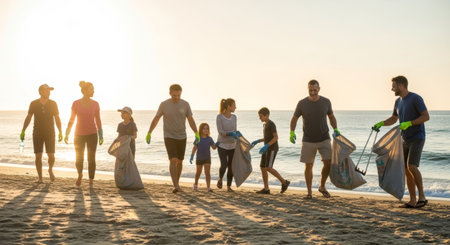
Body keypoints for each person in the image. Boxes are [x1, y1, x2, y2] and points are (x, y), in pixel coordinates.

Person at [373, 75, 429, 208]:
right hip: (405, 139)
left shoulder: (415, 98)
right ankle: (412, 200)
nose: (391, 89)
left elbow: (426, 116)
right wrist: (381, 123)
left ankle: (422, 197)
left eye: (393, 86)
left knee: (412, 166)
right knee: (405, 169)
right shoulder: (398, 102)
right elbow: (394, 118)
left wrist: (410, 123)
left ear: (400, 86)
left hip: (417, 137)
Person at [290, 80, 340, 199]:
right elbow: (294, 118)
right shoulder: (302, 103)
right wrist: (292, 132)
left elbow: (331, 117)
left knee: (328, 163)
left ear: (319, 89)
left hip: (324, 138)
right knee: (309, 165)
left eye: (315, 90)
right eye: (310, 90)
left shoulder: (326, 102)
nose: (313, 92)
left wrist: (336, 129)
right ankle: (309, 192)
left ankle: (322, 186)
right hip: (308, 139)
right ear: (308, 89)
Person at [146, 84, 200, 193]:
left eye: (178, 95)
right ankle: (175, 185)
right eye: (174, 95)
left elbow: (190, 119)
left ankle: (177, 182)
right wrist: (149, 132)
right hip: (169, 136)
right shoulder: (164, 105)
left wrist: (196, 133)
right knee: (173, 160)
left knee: (180, 162)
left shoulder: (185, 104)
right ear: (170, 93)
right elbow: (156, 118)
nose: (176, 97)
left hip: (182, 136)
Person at [20, 84, 63, 183]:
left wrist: (60, 131)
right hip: (37, 132)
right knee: (38, 156)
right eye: (46, 90)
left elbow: (57, 118)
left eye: (49, 91)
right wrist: (23, 130)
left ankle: (50, 169)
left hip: (50, 133)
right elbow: (29, 117)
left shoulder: (53, 104)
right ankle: (40, 178)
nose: (48, 92)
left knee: (51, 156)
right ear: (40, 92)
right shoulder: (34, 103)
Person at [64, 81, 103, 187]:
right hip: (79, 135)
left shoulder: (95, 104)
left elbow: (98, 120)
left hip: (92, 134)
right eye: (91, 89)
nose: (93, 91)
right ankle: (80, 175)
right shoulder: (76, 103)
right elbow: (72, 119)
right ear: (85, 90)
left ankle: (91, 181)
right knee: (79, 158)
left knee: (91, 158)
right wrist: (67, 133)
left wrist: (101, 134)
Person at [251, 107, 290, 194]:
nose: (259, 118)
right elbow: (266, 137)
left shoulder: (271, 124)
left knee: (268, 167)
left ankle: (284, 182)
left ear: (266, 115)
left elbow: (276, 137)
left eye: (261, 116)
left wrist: (267, 145)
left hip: (272, 148)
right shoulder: (265, 124)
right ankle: (266, 189)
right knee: (262, 167)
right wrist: (258, 141)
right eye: (259, 116)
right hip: (266, 148)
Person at [216, 98, 241, 192]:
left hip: (232, 145)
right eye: (234, 105)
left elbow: (235, 129)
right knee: (224, 164)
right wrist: (230, 133)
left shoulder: (234, 117)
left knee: (231, 166)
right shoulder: (219, 117)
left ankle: (229, 186)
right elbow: (220, 131)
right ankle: (220, 179)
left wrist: (237, 134)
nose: (235, 107)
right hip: (222, 144)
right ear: (229, 106)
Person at [189, 123, 217, 192]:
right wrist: (192, 156)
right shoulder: (198, 138)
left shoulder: (209, 139)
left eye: (207, 128)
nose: (206, 130)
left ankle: (208, 187)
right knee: (198, 172)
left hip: (207, 158)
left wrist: (217, 144)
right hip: (199, 158)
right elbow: (194, 148)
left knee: (207, 173)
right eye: (204, 128)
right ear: (201, 130)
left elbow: (213, 148)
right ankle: (195, 184)